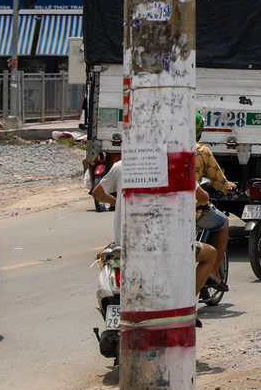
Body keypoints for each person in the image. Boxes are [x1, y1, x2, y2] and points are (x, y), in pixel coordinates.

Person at [92, 159, 221, 302]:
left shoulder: (121, 165)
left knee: (102, 254)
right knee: (210, 254)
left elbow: (98, 193)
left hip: (124, 246)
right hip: (164, 247)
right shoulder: (176, 166)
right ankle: (187, 302)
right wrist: (198, 203)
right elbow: (204, 197)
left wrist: (116, 202)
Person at [193, 111, 234, 293]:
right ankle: (214, 271)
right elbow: (219, 182)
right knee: (223, 223)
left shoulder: (163, 149)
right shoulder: (201, 151)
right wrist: (228, 186)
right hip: (192, 211)